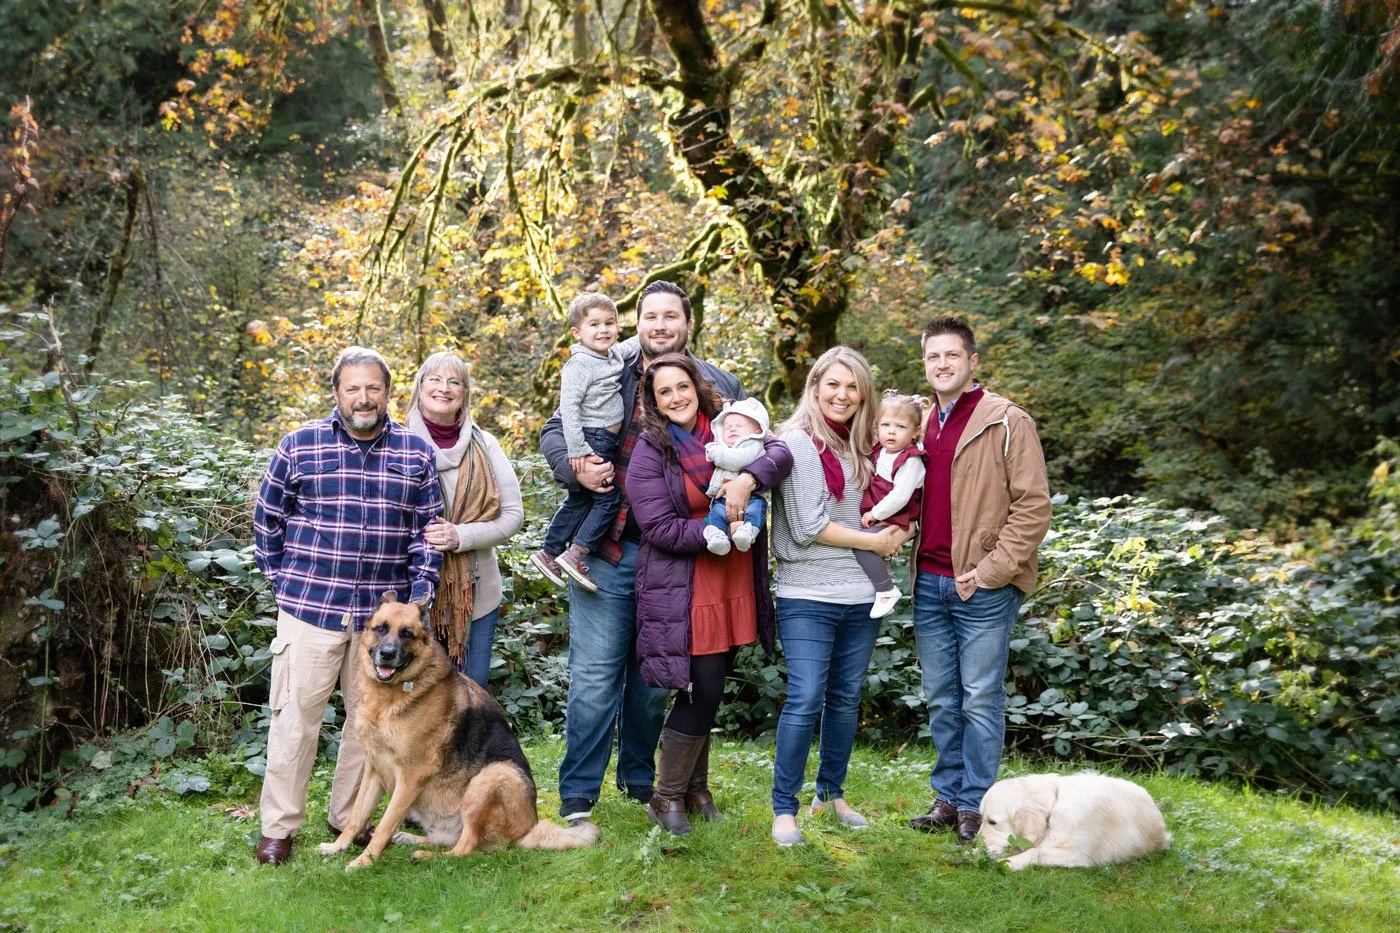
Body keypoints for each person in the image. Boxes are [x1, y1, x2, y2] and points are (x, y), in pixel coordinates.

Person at [539, 280, 779, 824]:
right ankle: (578, 797)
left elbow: (763, 444)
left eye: (671, 316)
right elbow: (556, 428)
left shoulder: (713, 384)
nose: (661, 325)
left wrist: (749, 481)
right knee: (596, 680)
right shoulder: (609, 367)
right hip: (609, 548)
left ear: (687, 324)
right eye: (650, 316)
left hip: (675, 560)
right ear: (638, 322)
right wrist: (572, 464)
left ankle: (643, 782)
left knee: (654, 681)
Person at [251, 346, 443, 865]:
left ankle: (347, 821)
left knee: (372, 728)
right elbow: (267, 517)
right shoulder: (300, 445)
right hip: (310, 609)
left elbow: (428, 533)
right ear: (336, 392)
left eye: (373, 388)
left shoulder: (414, 453)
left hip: (382, 628)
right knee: (295, 721)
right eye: (353, 388)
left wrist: (418, 597)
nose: (364, 397)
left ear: (388, 392)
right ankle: (279, 829)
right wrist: (280, 580)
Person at [627, 356, 791, 835]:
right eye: (665, 392)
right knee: (703, 688)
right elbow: (657, 527)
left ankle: (695, 789)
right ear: (653, 402)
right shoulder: (649, 451)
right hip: (686, 584)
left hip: (733, 578)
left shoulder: (727, 425)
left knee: (712, 684)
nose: (677, 397)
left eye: (683, 387)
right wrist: (715, 532)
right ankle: (667, 795)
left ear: (696, 387)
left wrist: (746, 479)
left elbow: (779, 454)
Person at [906, 316, 1051, 844]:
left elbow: (1033, 508)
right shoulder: (921, 423)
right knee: (942, 696)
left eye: (951, 355)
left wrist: (991, 572)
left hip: (983, 585)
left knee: (980, 696)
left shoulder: (1007, 420)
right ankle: (947, 798)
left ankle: (977, 805)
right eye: (932, 357)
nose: (941, 365)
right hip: (929, 580)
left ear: (972, 362)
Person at [767, 346, 913, 847]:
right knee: (805, 696)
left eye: (853, 387)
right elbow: (808, 526)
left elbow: (890, 500)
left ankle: (830, 793)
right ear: (814, 386)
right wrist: (875, 541)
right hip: (807, 590)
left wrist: (899, 529)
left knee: (846, 697)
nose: (842, 395)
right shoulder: (796, 443)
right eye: (833, 384)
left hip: (863, 592)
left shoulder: (870, 443)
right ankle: (784, 809)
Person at [404, 351, 524, 688]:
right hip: (410, 594)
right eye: (435, 380)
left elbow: (513, 516)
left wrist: (461, 536)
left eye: (454, 382)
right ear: (419, 386)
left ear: (464, 393)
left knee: (471, 693)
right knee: (416, 698)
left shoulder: (485, 445)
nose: (444, 388)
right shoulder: (397, 444)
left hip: (477, 592)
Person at [531, 293, 625, 593]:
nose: (603, 330)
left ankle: (549, 553)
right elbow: (568, 409)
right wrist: (578, 450)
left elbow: (635, 343)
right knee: (608, 499)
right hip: (592, 438)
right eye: (594, 324)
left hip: (603, 439)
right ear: (577, 333)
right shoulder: (580, 364)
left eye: (609, 323)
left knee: (580, 500)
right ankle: (577, 553)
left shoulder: (611, 356)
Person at [857, 391, 928, 619]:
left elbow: (900, 496)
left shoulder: (911, 459)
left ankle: (886, 589)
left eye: (900, 427)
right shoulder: (882, 450)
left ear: (915, 432)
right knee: (869, 545)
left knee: (863, 545)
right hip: (884, 511)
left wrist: (875, 513)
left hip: (897, 513)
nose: (891, 431)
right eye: (886, 425)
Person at [702, 397, 773, 555]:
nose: (732, 429)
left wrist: (715, 452)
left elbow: (736, 461)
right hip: (723, 497)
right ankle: (716, 536)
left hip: (751, 496)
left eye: (739, 426)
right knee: (716, 513)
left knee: (757, 509)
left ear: (757, 430)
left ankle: (747, 533)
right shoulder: (722, 445)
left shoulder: (753, 445)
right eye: (727, 427)